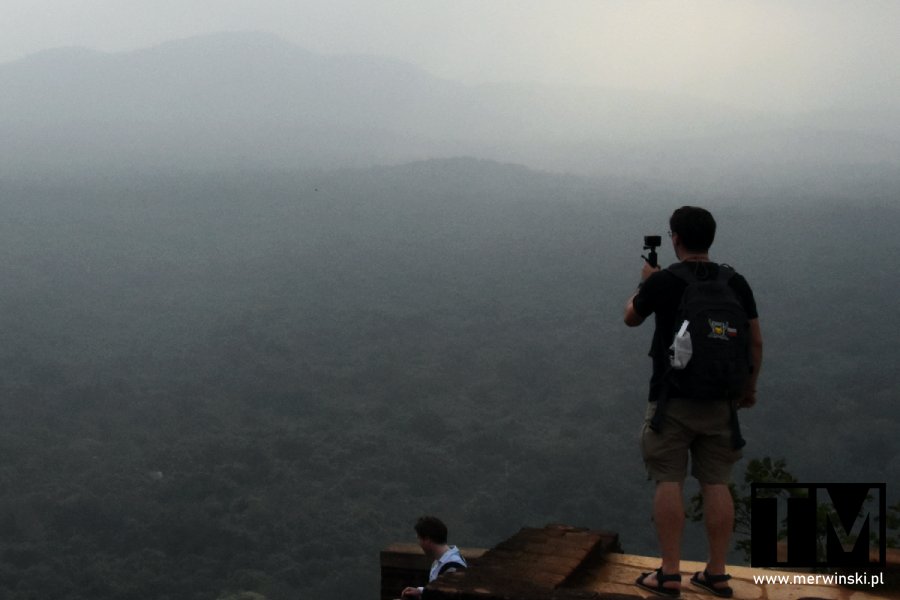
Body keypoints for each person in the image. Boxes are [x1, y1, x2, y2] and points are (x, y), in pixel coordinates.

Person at [623, 206, 763, 598]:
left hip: (672, 399)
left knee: (669, 479)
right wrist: (748, 389)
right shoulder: (735, 281)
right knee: (717, 482)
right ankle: (716, 573)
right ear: (710, 238)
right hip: (722, 400)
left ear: (676, 239)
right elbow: (755, 341)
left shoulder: (664, 281)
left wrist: (644, 284)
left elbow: (630, 318)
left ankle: (669, 574)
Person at [400, 516, 468, 598]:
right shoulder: (441, 560)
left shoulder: (452, 568)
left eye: (419, 538)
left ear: (427, 540)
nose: (419, 543)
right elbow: (439, 592)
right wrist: (421, 591)